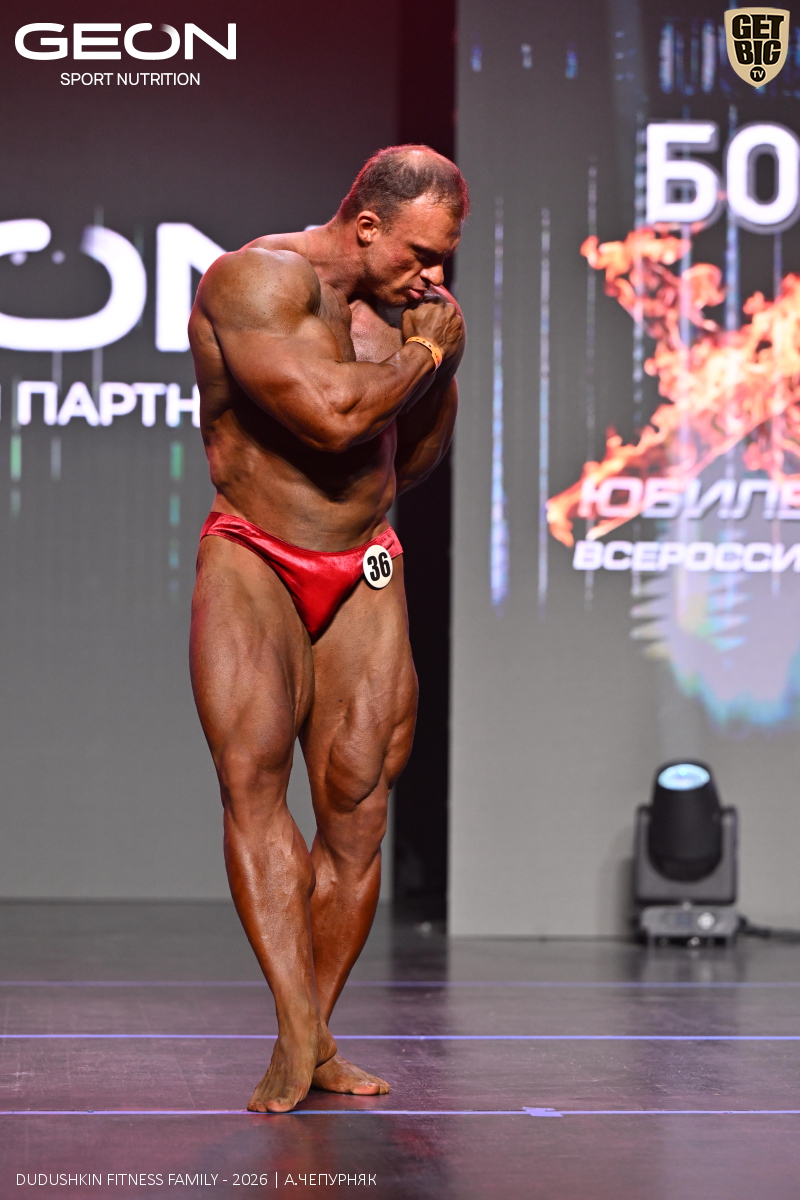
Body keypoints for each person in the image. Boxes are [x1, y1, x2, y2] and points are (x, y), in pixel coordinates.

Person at [188, 145, 467, 1113]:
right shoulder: (255, 280)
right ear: (366, 225)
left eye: (444, 257)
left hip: (365, 561)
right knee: (254, 781)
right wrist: (427, 355)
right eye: (419, 253)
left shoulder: (407, 317)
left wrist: (434, 362)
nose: (432, 275)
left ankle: (309, 1035)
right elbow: (332, 419)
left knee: (359, 806)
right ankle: (297, 1026)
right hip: (254, 552)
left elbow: (413, 456)